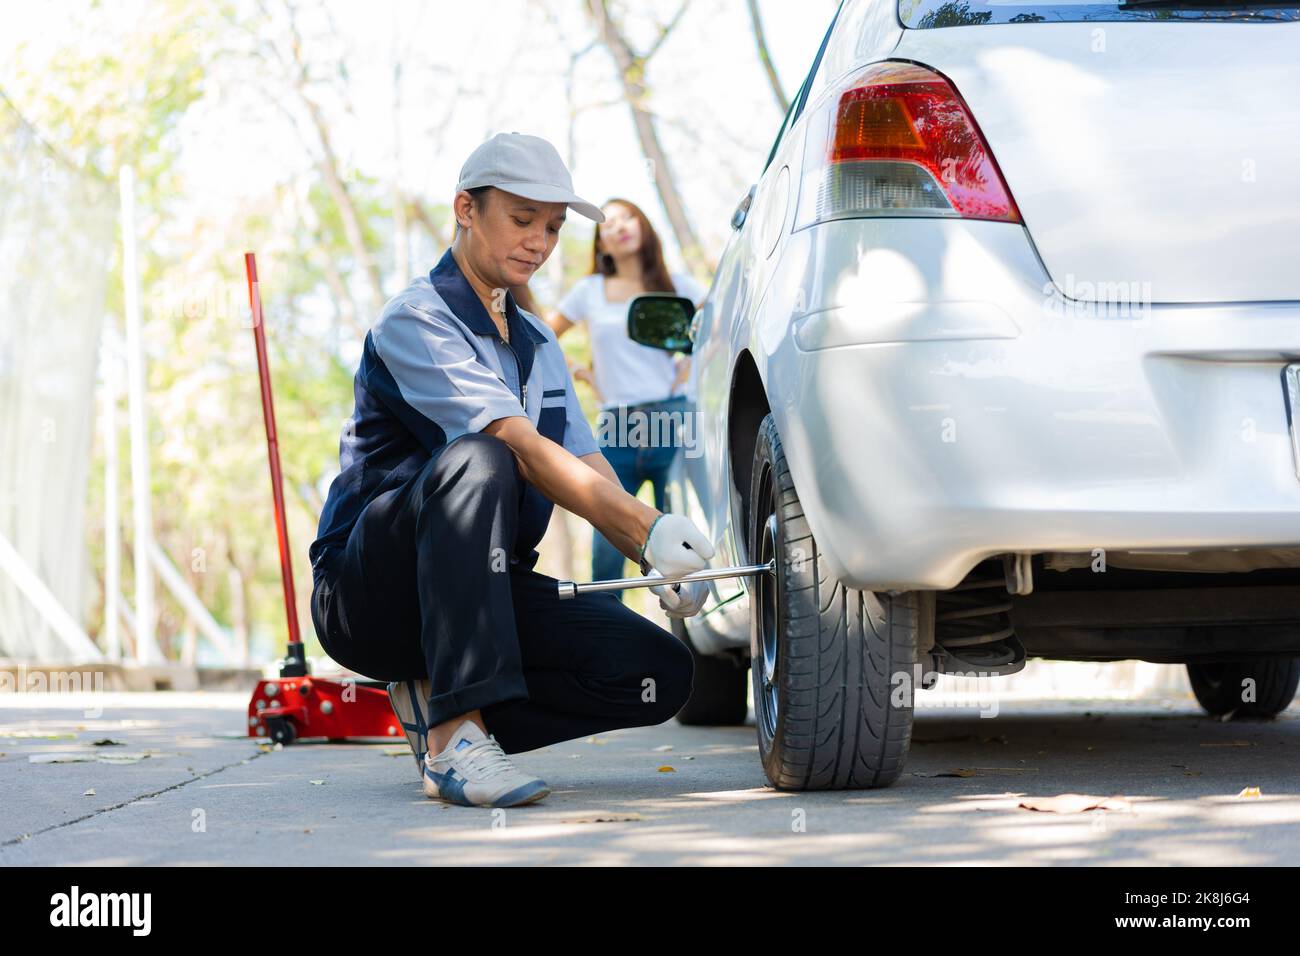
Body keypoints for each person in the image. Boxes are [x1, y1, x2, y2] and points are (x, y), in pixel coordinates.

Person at [307, 133, 715, 809]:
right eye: (521, 219)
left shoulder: (539, 343)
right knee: (481, 455)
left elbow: (589, 469)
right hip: (368, 590)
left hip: (481, 596)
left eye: (552, 227)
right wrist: (645, 528)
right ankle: (455, 741)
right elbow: (518, 446)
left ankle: (442, 698)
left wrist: (663, 557)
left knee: (659, 673)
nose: (539, 242)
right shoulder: (418, 319)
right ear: (466, 209)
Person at [548, 198, 707, 594]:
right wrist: (581, 373)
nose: (619, 226)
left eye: (627, 217)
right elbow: (543, 336)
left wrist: (689, 363)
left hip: (673, 421)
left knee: (684, 538)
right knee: (607, 544)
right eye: (608, 224)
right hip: (618, 426)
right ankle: (608, 636)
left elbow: (717, 330)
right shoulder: (589, 291)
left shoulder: (678, 286)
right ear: (601, 244)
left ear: (643, 226)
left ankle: (691, 641)